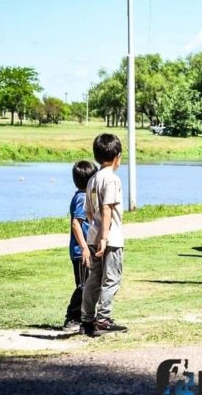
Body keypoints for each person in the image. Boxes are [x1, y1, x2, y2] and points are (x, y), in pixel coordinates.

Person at [79, 133, 128, 337]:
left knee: (94, 279)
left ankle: (87, 319)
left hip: (93, 236)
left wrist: (96, 231)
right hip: (110, 238)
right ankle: (103, 319)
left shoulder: (93, 179)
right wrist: (105, 237)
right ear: (117, 156)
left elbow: (89, 211)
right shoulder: (112, 179)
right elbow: (107, 208)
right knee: (111, 279)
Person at [62, 160, 97, 332]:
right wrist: (84, 247)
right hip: (81, 251)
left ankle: (86, 317)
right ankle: (72, 317)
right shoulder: (82, 198)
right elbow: (76, 224)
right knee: (84, 285)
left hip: (87, 249)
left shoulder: (84, 196)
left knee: (90, 284)